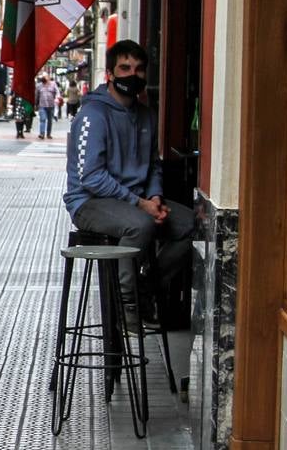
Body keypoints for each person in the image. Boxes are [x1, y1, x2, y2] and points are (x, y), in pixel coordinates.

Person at [64, 39, 196, 327]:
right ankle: (127, 304)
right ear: (109, 74)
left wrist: (155, 197)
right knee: (141, 224)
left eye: (138, 69)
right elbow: (90, 177)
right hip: (89, 203)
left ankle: (146, 286)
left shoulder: (147, 115)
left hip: (137, 201)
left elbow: (152, 166)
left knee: (191, 225)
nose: (132, 75)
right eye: (124, 68)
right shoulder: (92, 115)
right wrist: (141, 204)